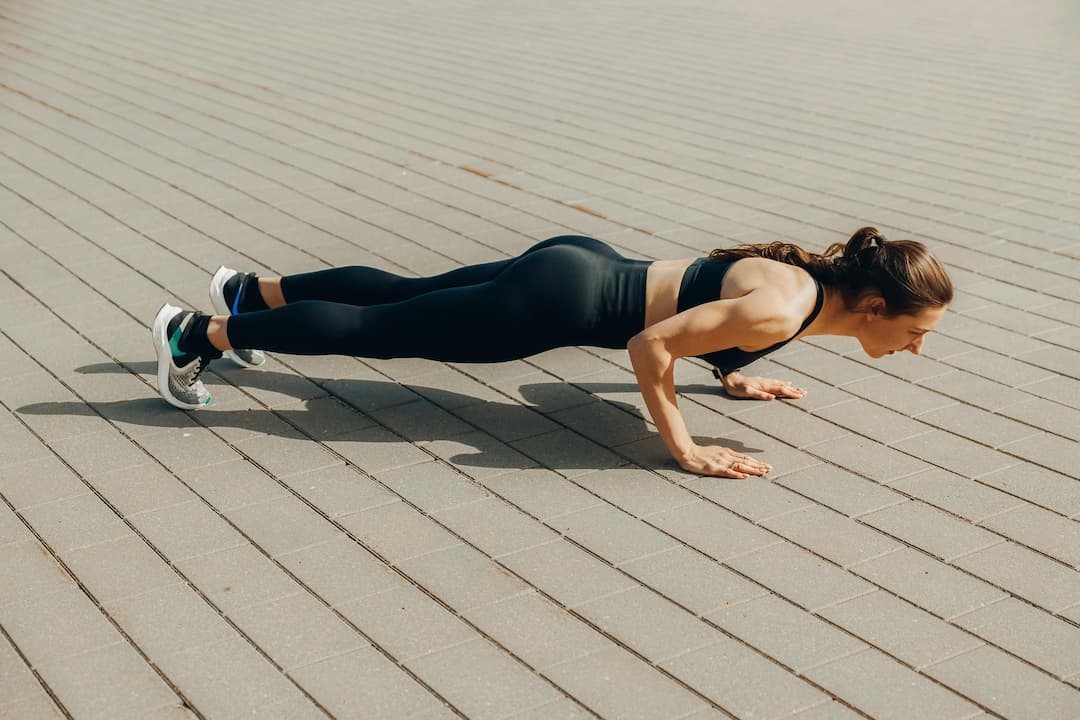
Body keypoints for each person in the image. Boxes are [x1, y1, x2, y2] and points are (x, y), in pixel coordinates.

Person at [151, 227, 953, 477]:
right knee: (380, 331)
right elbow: (648, 345)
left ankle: (250, 291)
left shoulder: (799, 288)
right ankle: (201, 334)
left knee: (402, 290)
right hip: (549, 305)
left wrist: (733, 376)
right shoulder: (785, 309)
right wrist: (685, 447)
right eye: (916, 333)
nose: (916, 349)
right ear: (876, 306)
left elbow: (710, 310)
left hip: (575, 261)